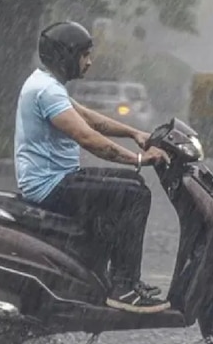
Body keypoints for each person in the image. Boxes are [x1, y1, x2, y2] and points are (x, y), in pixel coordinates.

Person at [14, 20, 171, 314]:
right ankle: (123, 287)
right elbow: (87, 138)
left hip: (59, 179)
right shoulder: (46, 91)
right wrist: (138, 159)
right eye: (84, 55)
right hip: (50, 186)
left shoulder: (46, 84)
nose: (89, 62)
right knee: (134, 196)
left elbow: (89, 118)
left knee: (133, 184)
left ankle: (110, 277)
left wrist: (135, 133)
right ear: (66, 56)